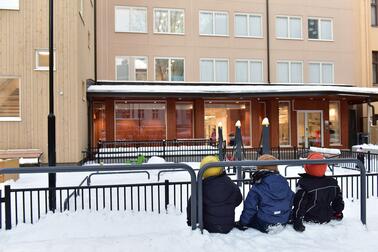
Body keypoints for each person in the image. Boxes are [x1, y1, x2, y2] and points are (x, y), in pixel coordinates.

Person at [236, 154, 294, 233]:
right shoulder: (283, 181)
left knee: (254, 218)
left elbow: (250, 207)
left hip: (264, 222)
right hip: (283, 219)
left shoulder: (259, 184)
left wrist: (243, 223)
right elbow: (291, 199)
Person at [187, 155, 242, 233]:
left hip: (208, 227)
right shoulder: (230, 184)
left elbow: (192, 207)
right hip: (228, 225)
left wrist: (191, 222)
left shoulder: (201, 187)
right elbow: (238, 199)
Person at [291, 152, 344, 232]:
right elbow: (338, 200)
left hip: (309, 216)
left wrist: (297, 221)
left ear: (307, 166)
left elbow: (299, 203)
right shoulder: (332, 183)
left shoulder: (304, 183)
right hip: (327, 216)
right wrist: (338, 212)